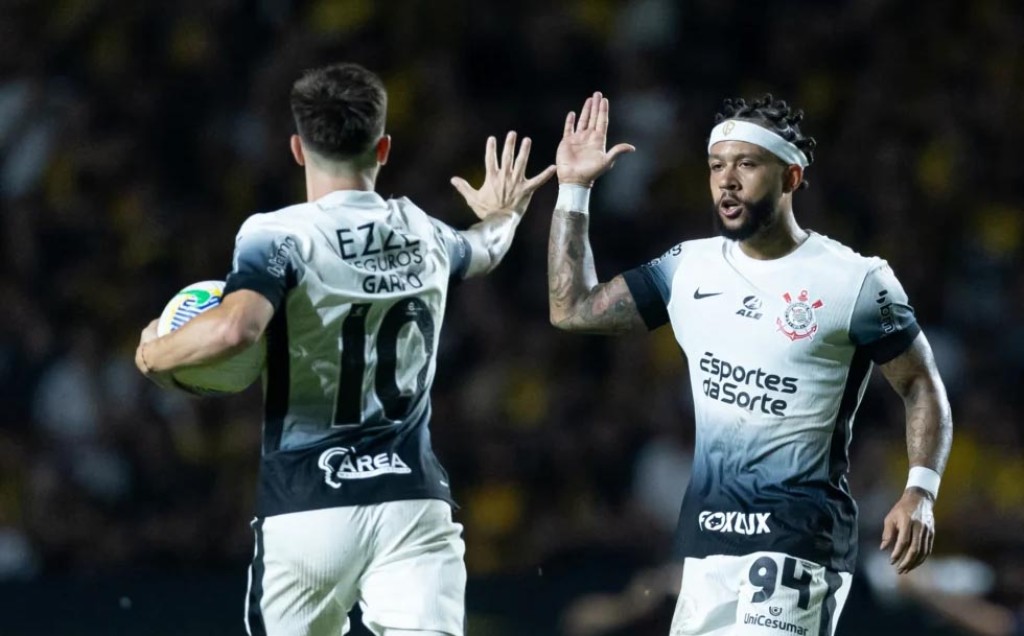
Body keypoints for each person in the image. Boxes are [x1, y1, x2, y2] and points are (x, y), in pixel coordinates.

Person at [134, 62, 555, 636]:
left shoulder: (277, 234)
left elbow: (235, 329)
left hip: (307, 506)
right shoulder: (423, 231)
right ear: (383, 148)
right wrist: (507, 212)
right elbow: (485, 247)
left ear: (297, 148)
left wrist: (152, 355)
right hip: (410, 501)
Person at [547, 91, 953, 635]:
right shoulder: (687, 268)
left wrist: (920, 490)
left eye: (746, 164)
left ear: (791, 177)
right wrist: (574, 190)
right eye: (717, 166)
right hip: (704, 546)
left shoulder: (856, 281)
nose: (728, 181)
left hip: (797, 543)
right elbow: (572, 309)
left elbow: (920, 383)